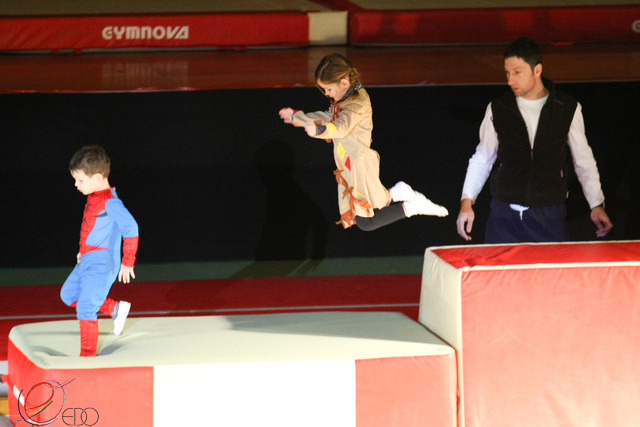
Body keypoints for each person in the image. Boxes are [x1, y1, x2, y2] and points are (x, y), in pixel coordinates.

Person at [456, 37, 613, 243]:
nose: (510, 80)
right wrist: (467, 202)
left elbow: (583, 160)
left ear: (537, 70)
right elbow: (482, 158)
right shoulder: (498, 108)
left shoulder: (567, 108)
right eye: (507, 73)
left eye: (517, 72)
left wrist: (596, 204)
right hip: (503, 217)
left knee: (551, 266)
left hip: (549, 217)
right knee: (499, 266)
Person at [279, 53, 448, 230]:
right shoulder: (345, 98)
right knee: (366, 213)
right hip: (347, 163)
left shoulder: (357, 103)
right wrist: (298, 118)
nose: (326, 94)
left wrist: (318, 130)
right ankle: (399, 193)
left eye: (328, 89)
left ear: (344, 83)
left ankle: (413, 206)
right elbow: (329, 117)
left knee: (366, 221)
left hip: (359, 163)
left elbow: (341, 127)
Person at [60, 145, 139, 356]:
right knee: (68, 294)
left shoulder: (111, 203)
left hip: (102, 262)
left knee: (85, 307)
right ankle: (114, 308)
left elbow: (131, 228)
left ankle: (87, 357)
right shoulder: (94, 196)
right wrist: (83, 250)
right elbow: (94, 228)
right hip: (88, 258)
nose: (76, 184)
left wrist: (128, 261)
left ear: (97, 177)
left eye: (80, 180)